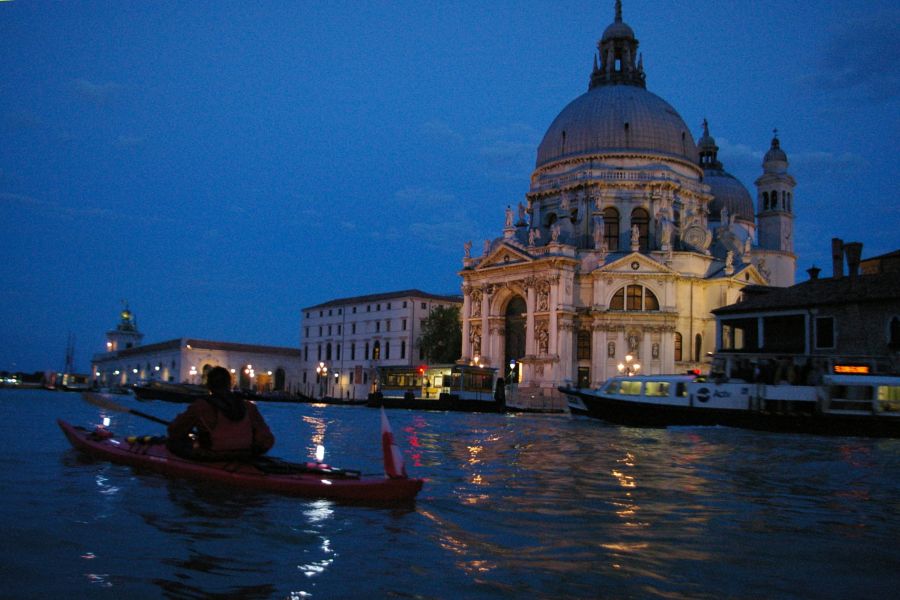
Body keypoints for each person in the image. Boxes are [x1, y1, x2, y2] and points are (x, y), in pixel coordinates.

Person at [167, 366, 274, 460]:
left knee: (172, 443)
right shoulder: (249, 407)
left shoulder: (200, 406)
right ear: (229, 384)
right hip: (245, 455)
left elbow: (175, 430)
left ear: (209, 386)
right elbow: (267, 440)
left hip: (213, 456)